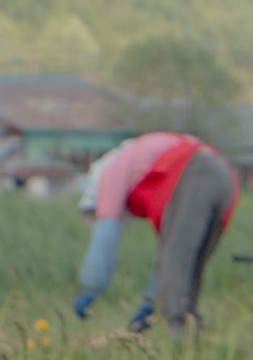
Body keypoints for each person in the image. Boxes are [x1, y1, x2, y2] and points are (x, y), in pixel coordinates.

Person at [74, 131, 240, 334]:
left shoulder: (109, 174)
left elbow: (104, 240)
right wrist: (151, 303)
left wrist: (91, 289)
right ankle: (192, 342)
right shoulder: (143, 167)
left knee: (178, 263)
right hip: (225, 176)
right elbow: (169, 253)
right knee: (190, 268)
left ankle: (178, 341)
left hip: (194, 172)